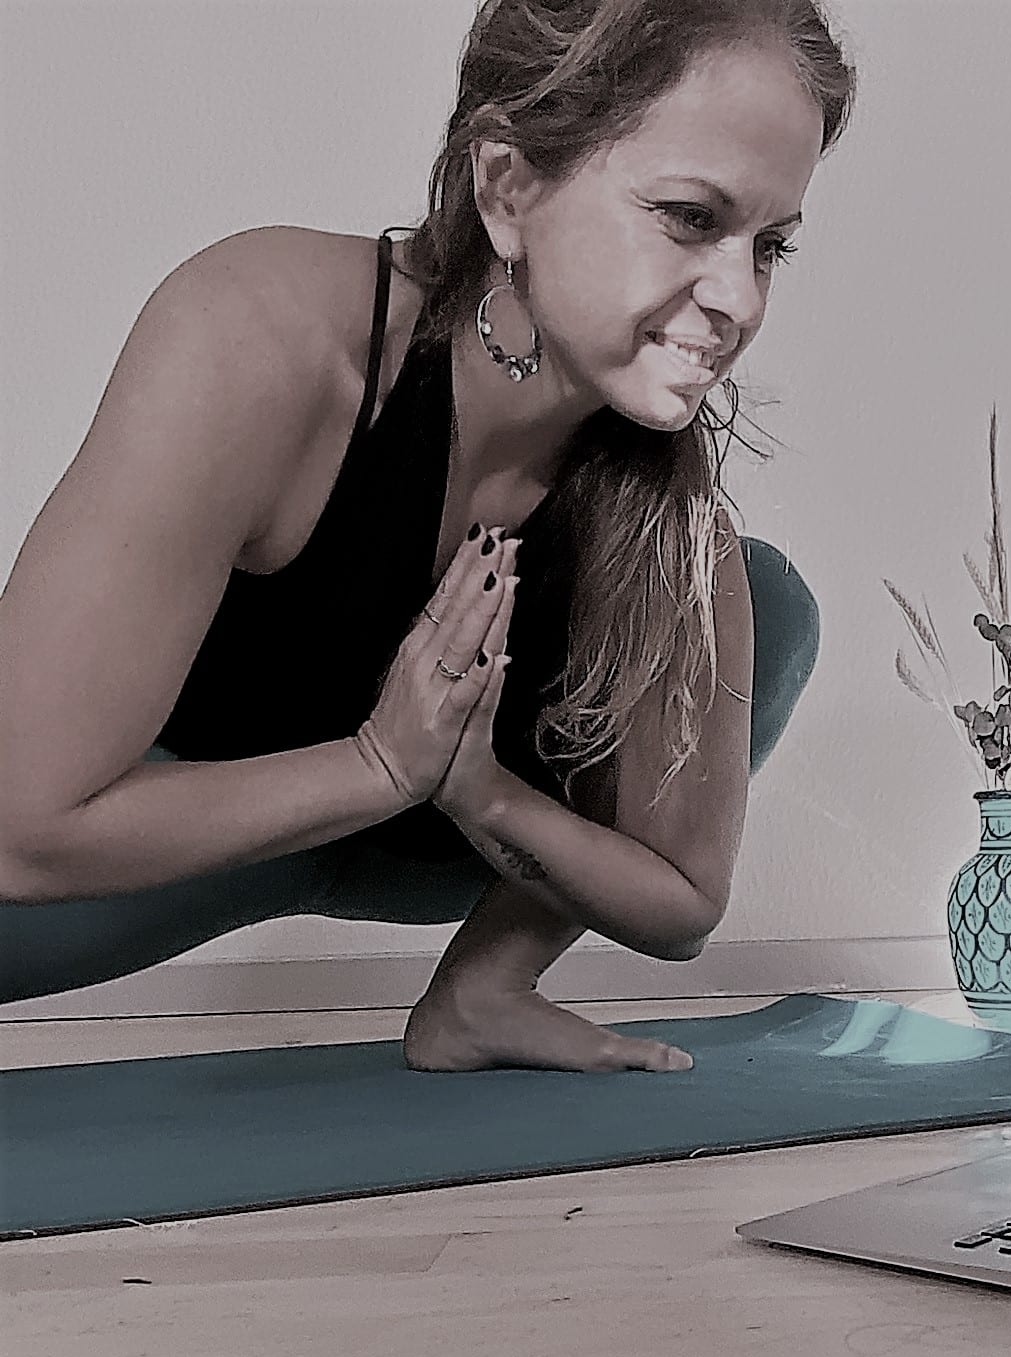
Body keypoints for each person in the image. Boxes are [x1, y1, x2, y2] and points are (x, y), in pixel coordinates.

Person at [0, 0, 855, 1074]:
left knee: (766, 601)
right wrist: (377, 765)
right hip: (119, 849)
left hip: (423, 847)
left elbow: (682, 905)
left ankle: (483, 992)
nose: (739, 299)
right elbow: (21, 829)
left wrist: (477, 790)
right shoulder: (266, 335)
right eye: (690, 217)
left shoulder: (668, 521)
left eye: (769, 245)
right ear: (508, 186)